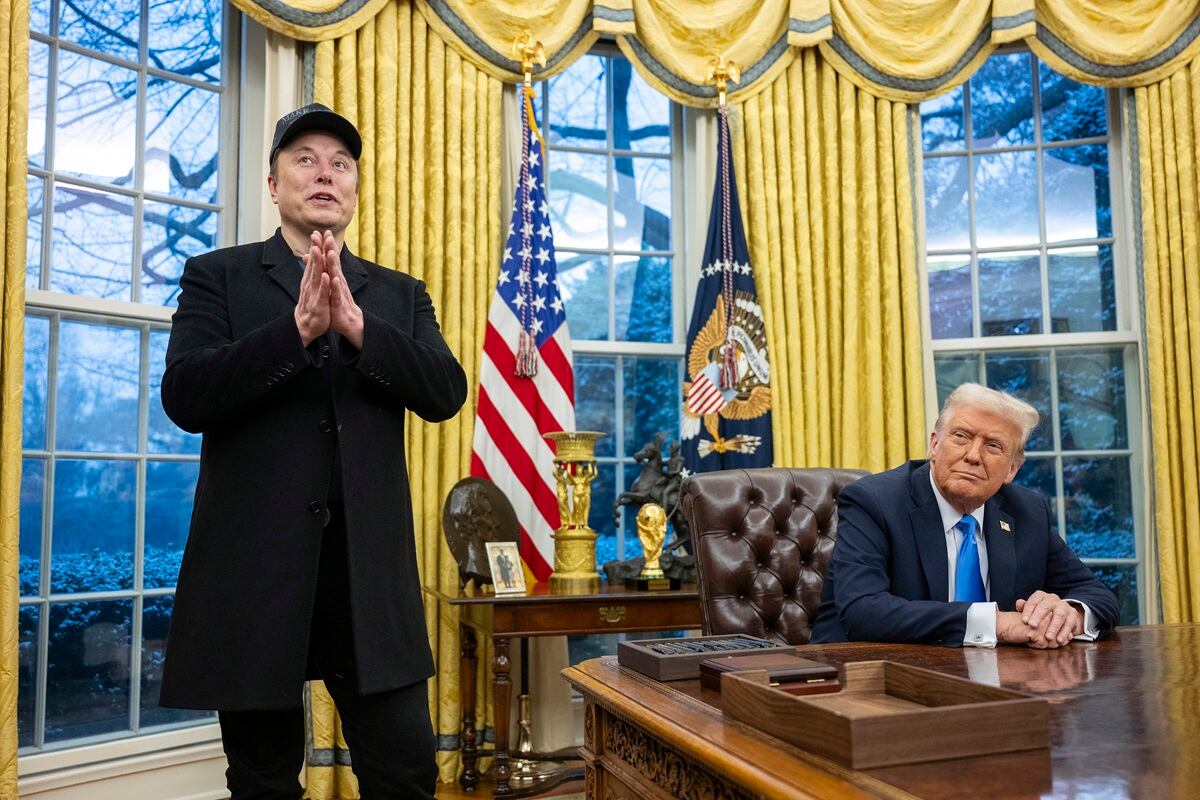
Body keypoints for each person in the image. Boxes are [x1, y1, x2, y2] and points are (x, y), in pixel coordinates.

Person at [158, 104, 467, 799]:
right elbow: (185, 396)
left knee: (407, 773)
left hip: (367, 579)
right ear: (274, 185)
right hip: (254, 577)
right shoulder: (217, 276)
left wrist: (357, 327)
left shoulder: (399, 294)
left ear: (353, 189)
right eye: (305, 159)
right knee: (263, 783)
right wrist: (295, 332)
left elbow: (445, 391)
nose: (325, 173)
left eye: (341, 163)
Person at [811, 383, 1119, 648]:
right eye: (961, 436)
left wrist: (1067, 615)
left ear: (1012, 470)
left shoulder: (1027, 511)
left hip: (995, 679)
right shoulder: (874, 501)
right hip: (866, 676)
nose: (973, 456)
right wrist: (997, 623)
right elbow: (863, 611)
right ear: (934, 445)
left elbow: (1098, 595)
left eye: (993, 446)